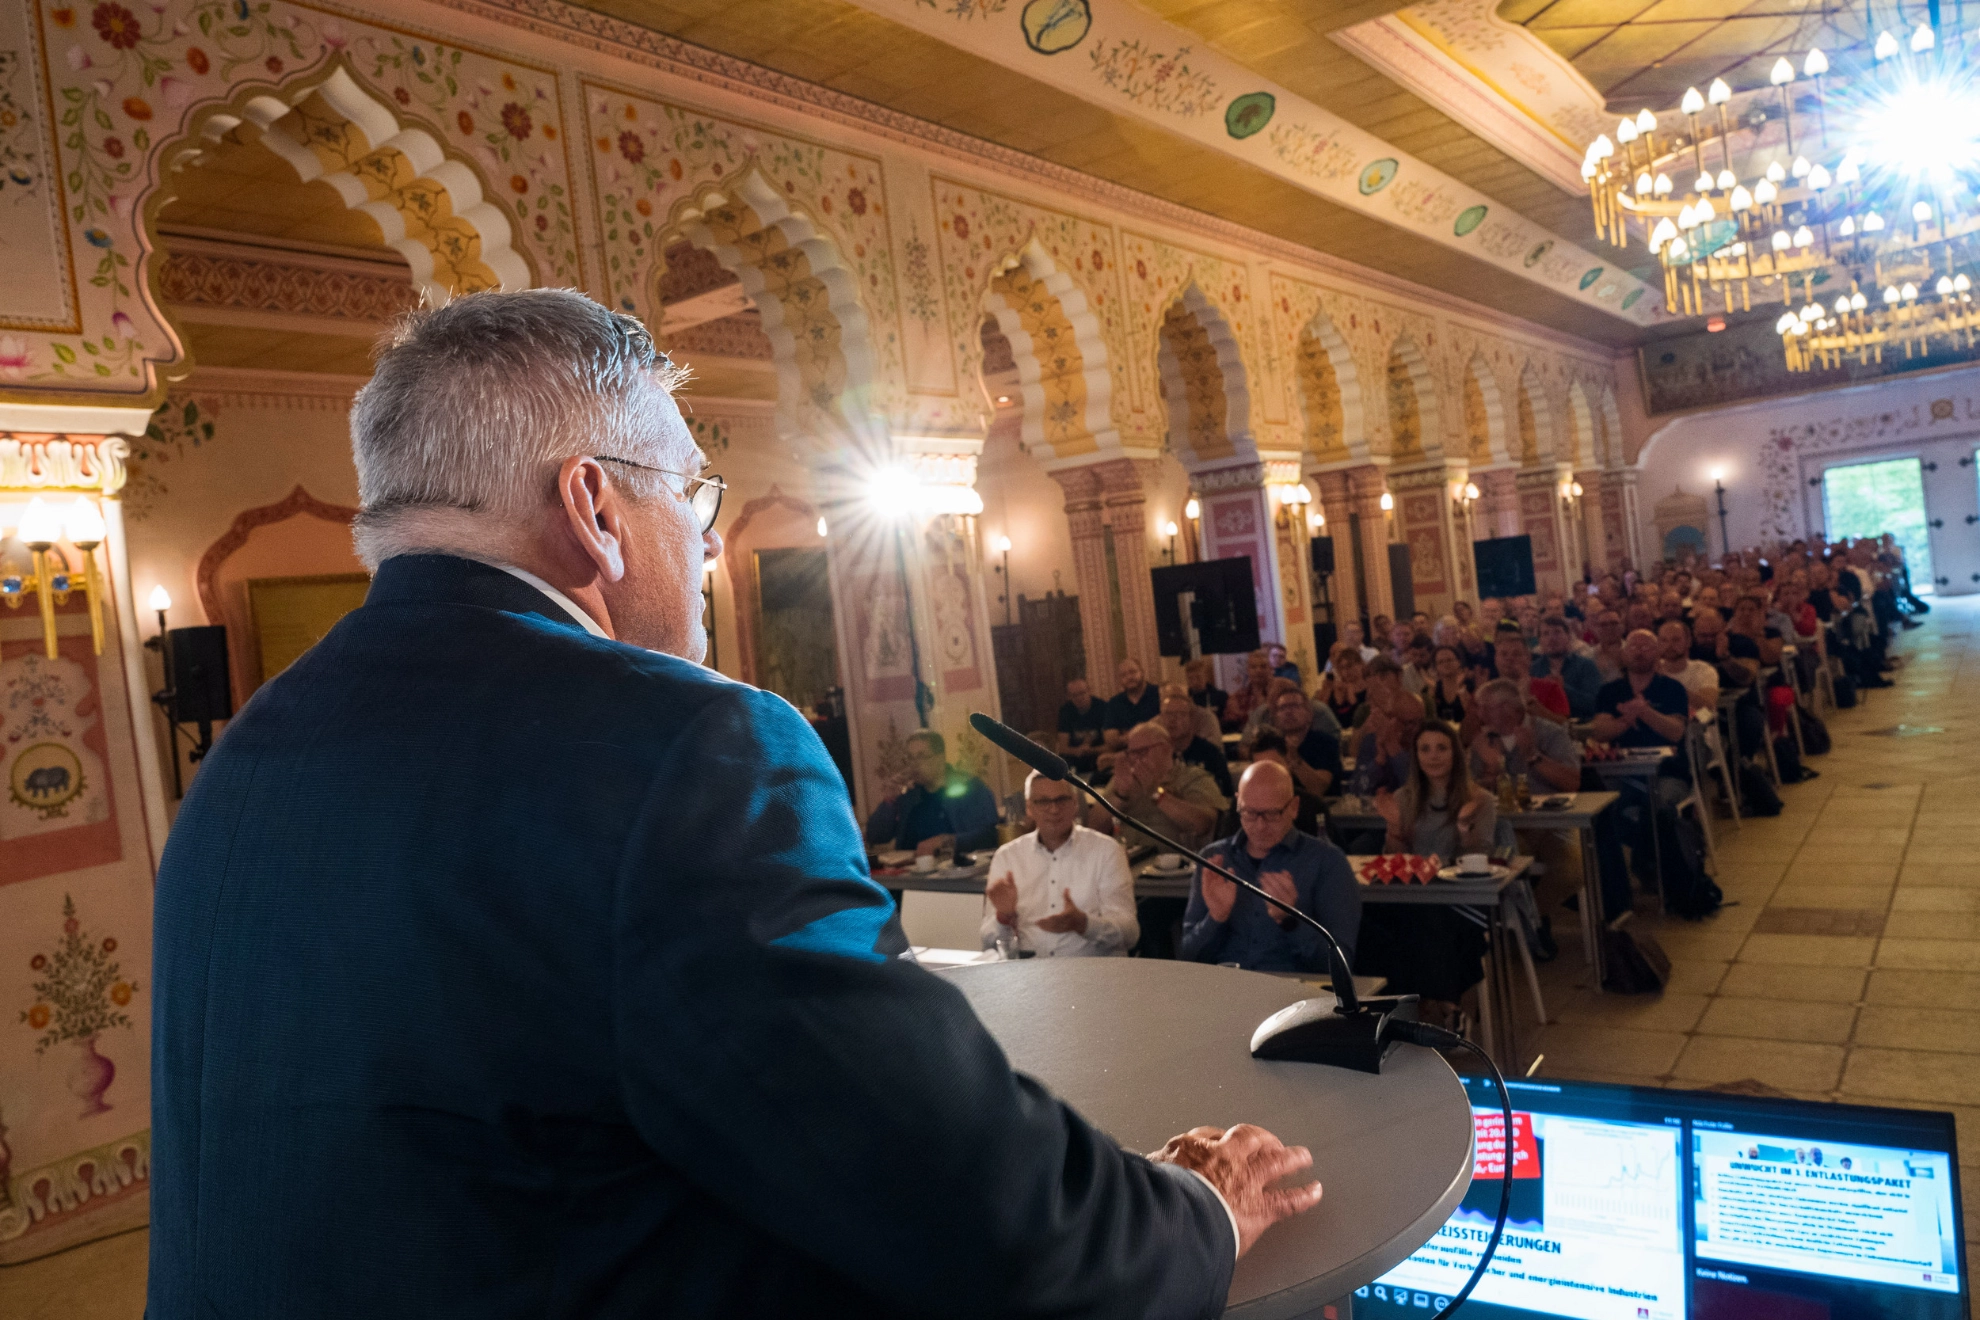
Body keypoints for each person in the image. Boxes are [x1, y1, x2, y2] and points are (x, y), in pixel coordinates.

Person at [149, 291, 1317, 1317]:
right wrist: (1190, 1210)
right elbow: (963, 1204)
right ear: (595, 509)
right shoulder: (688, 747)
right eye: (692, 491)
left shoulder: (248, 757)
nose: (707, 535)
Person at [1359, 721, 1496, 1028]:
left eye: (1442, 748)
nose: (1434, 756)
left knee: (1425, 920)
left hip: (1463, 899)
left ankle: (1442, 1007)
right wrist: (1395, 828)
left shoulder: (1480, 799)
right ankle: (1413, 1008)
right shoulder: (1404, 798)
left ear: (1455, 754)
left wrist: (1464, 830)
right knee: (1374, 921)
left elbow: (1480, 861)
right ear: (1416, 757)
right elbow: (1395, 862)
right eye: (1425, 749)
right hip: (1414, 896)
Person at [1181, 762, 1361, 975]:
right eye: (1249, 813)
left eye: (1272, 814)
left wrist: (1290, 922)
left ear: (1293, 808)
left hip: (1294, 995)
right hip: (1226, 989)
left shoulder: (1328, 861)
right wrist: (1215, 918)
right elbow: (1187, 959)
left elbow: (1341, 967)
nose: (1259, 826)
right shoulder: (1215, 858)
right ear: (1238, 803)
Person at [981, 772, 1139, 958]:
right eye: (1043, 801)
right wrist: (1004, 917)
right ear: (1029, 808)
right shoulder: (1008, 857)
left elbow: (1130, 934)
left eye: (1061, 800)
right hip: (1030, 976)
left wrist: (1084, 924)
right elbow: (987, 942)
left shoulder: (1106, 851)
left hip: (1093, 976)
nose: (1054, 809)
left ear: (1075, 804)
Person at [1089, 720, 1230, 855]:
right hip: (1126, 862)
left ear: (1166, 749)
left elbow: (1203, 825)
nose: (1136, 759)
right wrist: (1119, 796)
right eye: (1132, 753)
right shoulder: (1124, 779)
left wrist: (1156, 793)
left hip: (1174, 867)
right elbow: (1093, 830)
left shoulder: (1193, 778)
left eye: (1142, 752)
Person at [865, 729, 1000, 858]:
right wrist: (889, 800)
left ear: (940, 759)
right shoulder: (908, 796)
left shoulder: (970, 788)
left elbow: (989, 836)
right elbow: (875, 836)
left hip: (953, 872)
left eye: (921, 757)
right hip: (909, 874)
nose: (914, 764)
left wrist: (947, 841)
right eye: (910, 758)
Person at [1269, 686, 1345, 808]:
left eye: (1294, 706)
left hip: (1320, 810)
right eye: (1282, 708)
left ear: (1309, 714)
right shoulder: (1272, 746)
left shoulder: (1326, 743)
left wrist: (1294, 758)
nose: (1288, 712)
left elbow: (1318, 789)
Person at [1492, 627, 1570, 726]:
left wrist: (1529, 702)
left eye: (1516, 654)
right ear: (1495, 659)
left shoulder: (1550, 688)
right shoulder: (1486, 691)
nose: (1509, 658)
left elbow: (1564, 726)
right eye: (1503, 654)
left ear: (1528, 658)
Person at [1162, 692, 1234, 798]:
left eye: (1180, 714)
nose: (1172, 720)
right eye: (1168, 714)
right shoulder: (1156, 754)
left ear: (1191, 719)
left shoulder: (1210, 754)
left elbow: (1225, 796)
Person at [1531, 614, 1603, 718]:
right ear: (1540, 641)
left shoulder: (1586, 666)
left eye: (1557, 632)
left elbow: (1593, 703)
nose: (1551, 638)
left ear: (1568, 636)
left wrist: (1563, 688)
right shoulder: (1533, 669)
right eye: (1545, 634)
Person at [1657, 619, 1719, 713]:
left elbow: (1708, 706)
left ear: (1688, 641)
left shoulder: (1704, 670)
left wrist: (1669, 682)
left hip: (1698, 725)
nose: (1669, 645)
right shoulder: (1651, 670)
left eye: (1676, 640)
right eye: (1664, 640)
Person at [1103, 656, 1162, 749]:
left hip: (1158, 750)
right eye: (1123, 675)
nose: (1129, 677)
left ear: (1142, 672)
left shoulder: (1160, 693)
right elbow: (1110, 740)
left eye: (1133, 672)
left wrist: (1127, 735)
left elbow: (1166, 724)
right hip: (1129, 755)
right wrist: (1147, 729)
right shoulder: (1115, 703)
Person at [1056, 676, 1107, 771]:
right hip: (1075, 756)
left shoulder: (1102, 707)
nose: (1079, 698)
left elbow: (1109, 745)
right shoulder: (1065, 711)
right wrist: (1077, 751)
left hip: (1098, 754)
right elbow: (1063, 748)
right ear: (1069, 697)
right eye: (1074, 695)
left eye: (1082, 693)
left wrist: (1090, 750)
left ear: (1089, 691)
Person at [1222, 649, 1275, 731]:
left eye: (1263, 666)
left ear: (1271, 669)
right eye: (1254, 667)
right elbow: (1230, 721)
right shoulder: (1238, 697)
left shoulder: (1280, 693)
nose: (1258, 670)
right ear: (1248, 670)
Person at [1317, 644, 1366, 728]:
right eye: (1341, 668)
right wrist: (1337, 700)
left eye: (1349, 666)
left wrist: (1351, 696)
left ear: (1360, 664)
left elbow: (1361, 719)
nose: (1345, 672)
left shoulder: (1369, 688)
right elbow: (1324, 717)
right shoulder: (1338, 688)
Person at [1423, 643, 1472, 724]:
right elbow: (1429, 717)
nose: (1445, 664)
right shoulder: (1433, 688)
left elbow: (1472, 715)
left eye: (1449, 660)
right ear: (1436, 667)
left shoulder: (1469, 686)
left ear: (1459, 662)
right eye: (1441, 662)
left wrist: (1460, 689)